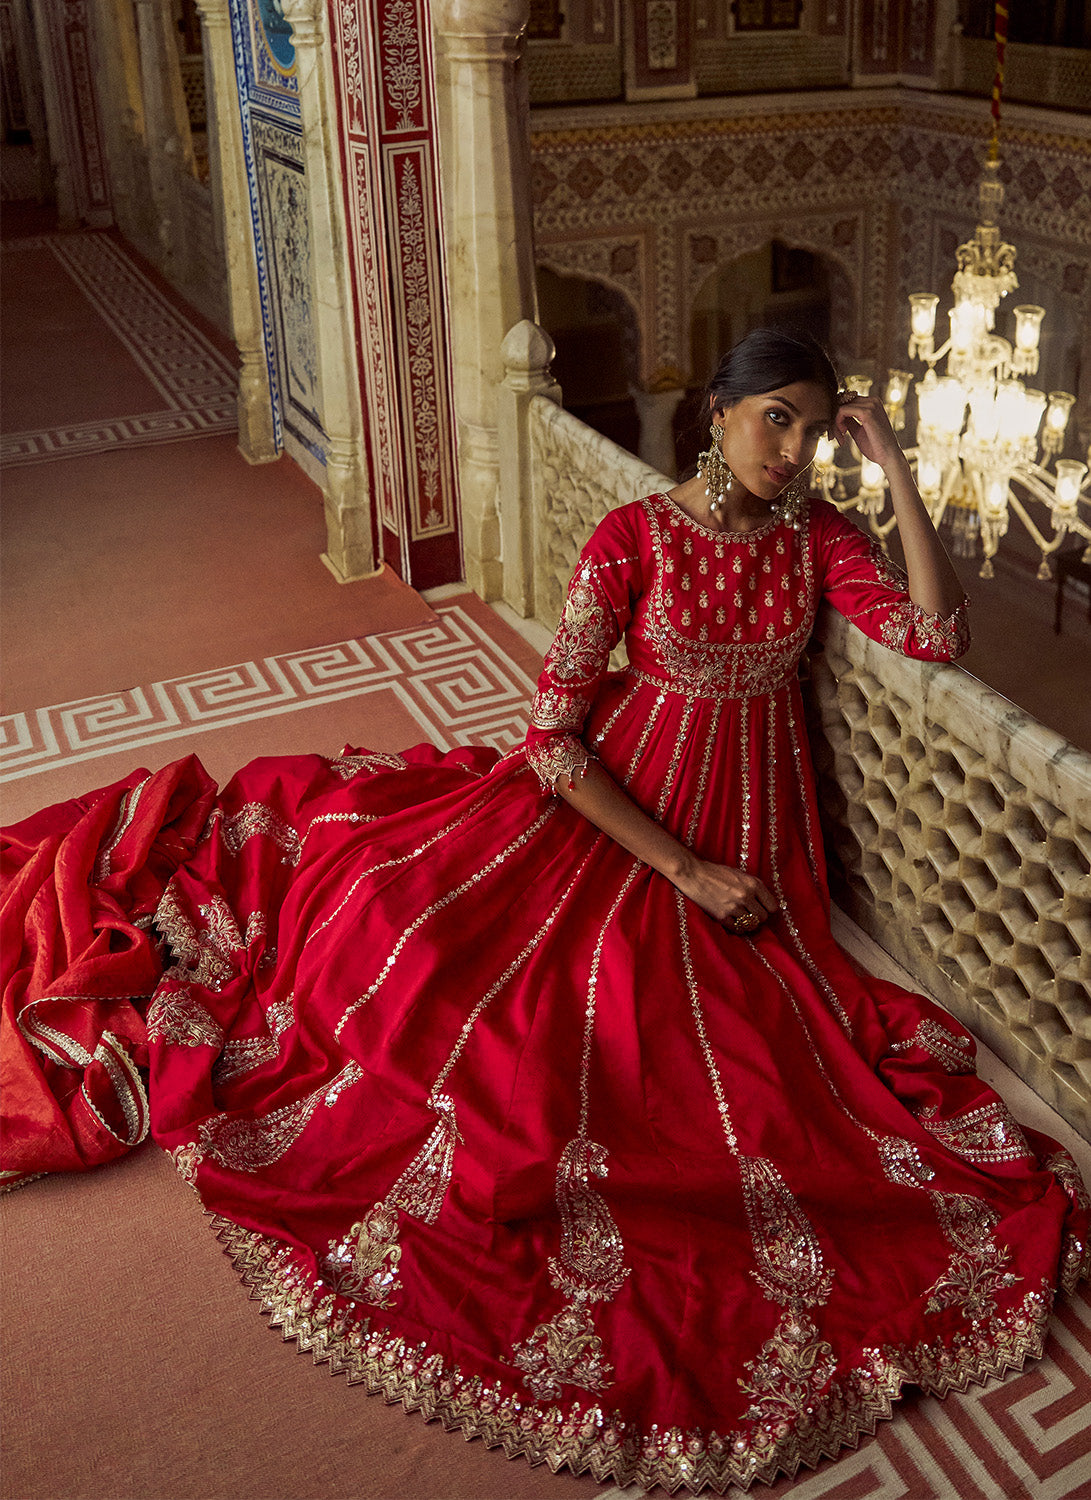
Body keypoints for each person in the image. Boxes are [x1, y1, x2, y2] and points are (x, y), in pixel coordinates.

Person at [2, 329, 1087, 1493]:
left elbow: (933, 633)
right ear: (715, 412)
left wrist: (895, 472)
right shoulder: (633, 538)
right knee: (481, 1015)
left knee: (766, 1080)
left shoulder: (816, 537)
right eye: (775, 416)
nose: (792, 446)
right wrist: (683, 872)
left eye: (814, 428)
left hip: (759, 829)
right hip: (614, 819)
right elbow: (551, 741)